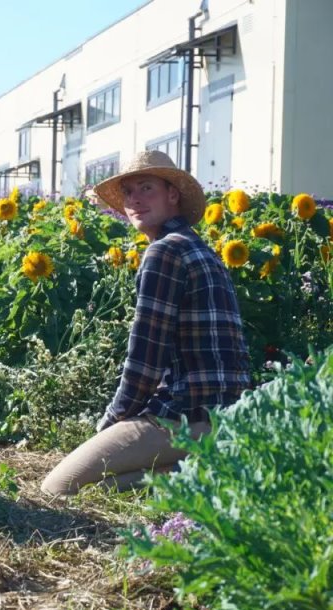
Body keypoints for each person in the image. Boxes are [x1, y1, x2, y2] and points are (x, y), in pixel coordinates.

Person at [41, 150, 250, 496]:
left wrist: (108, 423)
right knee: (94, 479)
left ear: (173, 195)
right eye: (128, 192)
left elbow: (144, 365)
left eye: (146, 187)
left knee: (58, 488)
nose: (134, 199)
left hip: (187, 420)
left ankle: (190, 475)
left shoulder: (164, 252)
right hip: (229, 419)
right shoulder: (202, 249)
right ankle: (196, 468)